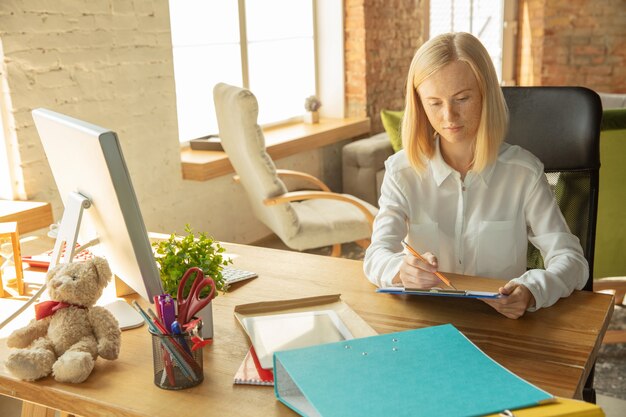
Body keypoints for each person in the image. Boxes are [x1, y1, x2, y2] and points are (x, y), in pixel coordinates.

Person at [363, 32, 588, 319]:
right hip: (426, 323)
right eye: (434, 102)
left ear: (486, 95)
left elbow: (572, 260)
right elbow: (376, 255)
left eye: (462, 98)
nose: (449, 116)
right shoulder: (401, 171)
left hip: (498, 326)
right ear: (419, 104)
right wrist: (399, 271)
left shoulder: (523, 172)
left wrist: (533, 289)